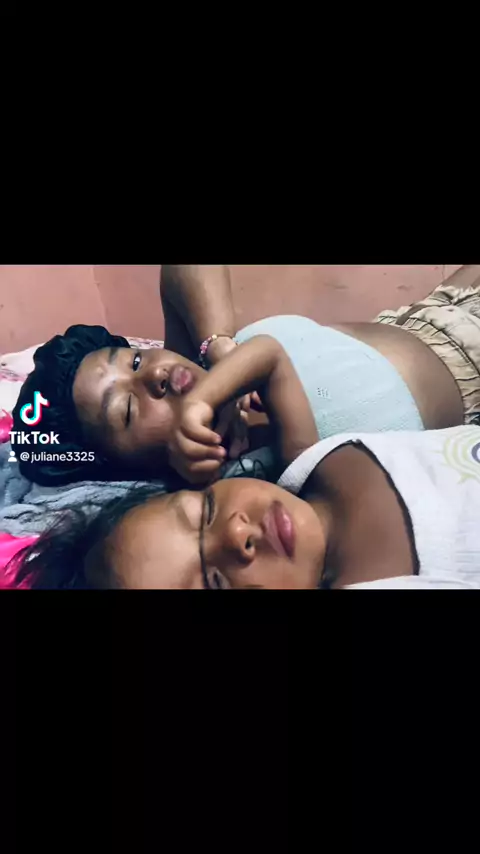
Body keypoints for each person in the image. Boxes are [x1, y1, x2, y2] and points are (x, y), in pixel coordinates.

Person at [10, 330, 480, 589]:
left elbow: (270, 355)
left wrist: (211, 382)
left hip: (429, 321)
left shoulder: (308, 467)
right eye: (215, 584)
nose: (237, 532)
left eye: (206, 510)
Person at [12, 264, 480, 486]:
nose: (152, 376)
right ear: (129, 470)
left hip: (430, 312)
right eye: (129, 410)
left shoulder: (200, 360)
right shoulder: (232, 483)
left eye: (134, 361)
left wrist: (218, 345)